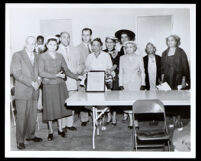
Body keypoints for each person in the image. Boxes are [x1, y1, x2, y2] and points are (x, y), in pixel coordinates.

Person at [38, 36, 80, 141]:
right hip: (48, 86)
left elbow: (67, 70)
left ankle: (60, 129)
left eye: (55, 44)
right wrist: (56, 75)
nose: (53, 46)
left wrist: (77, 77)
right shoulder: (42, 56)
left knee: (60, 108)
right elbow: (41, 72)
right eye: (50, 44)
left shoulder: (60, 56)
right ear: (47, 45)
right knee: (50, 109)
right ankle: (51, 131)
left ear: (57, 46)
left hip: (60, 85)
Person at [11, 36, 43, 150]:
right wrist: (31, 83)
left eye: (33, 44)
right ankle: (20, 140)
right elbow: (16, 73)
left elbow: (40, 72)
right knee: (21, 117)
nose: (31, 46)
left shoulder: (38, 56)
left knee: (32, 115)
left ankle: (30, 135)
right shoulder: (17, 55)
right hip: (23, 91)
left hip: (35, 91)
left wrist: (38, 82)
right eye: (29, 43)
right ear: (25, 44)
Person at [85, 38, 113, 125]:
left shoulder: (106, 55)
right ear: (91, 47)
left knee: (103, 101)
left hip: (103, 81)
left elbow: (110, 68)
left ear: (101, 46)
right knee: (92, 101)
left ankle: (106, 114)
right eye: (93, 45)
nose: (95, 47)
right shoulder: (89, 56)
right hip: (92, 83)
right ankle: (95, 118)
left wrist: (108, 72)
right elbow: (86, 69)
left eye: (97, 45)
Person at [119, 41, 146, 129]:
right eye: (127, 47)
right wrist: (120, 83)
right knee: (128, 102)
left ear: (134, 48)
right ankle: (131, 121)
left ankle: (136, 121)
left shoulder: (139, 58)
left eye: (131, 47)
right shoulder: (122, 58)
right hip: (126, 83)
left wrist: (143, 83)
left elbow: (142, 71)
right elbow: (120, 72)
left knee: (136, 102)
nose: (129, 49)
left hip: (136, 82)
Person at [57, 32, 80, 131]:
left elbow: (78, 63)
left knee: (71, 102)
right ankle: (62, 126)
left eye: (68, 37)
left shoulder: (74, 49)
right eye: (64, 37)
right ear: (60, 39)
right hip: (61, 80)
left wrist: (79, 69)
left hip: (73, 79)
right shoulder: (56, 49)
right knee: (62, 103)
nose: (66, 39)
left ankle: (70, 124)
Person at [76, 28, 93, 126]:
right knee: (83, 96)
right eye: (84, 35)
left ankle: (94, 115)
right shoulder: (78, 48)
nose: (86, 37)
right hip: (83, 75)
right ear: (81, 36)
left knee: (93, 96)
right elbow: (78, 63)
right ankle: (84, 119)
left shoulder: (94, 46)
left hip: (94, 76)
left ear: (91, 36)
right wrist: (84, 70)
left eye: (88, 35)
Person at [103, 36, 120, 126]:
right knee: (106, 96)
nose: (109, 44)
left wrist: (110, 70)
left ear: (114, 43)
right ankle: (108, 115)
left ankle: (114, 116)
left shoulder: (118, 53)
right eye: (107, 42)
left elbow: (116, 64)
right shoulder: (103, 52)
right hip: (105, 77)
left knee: (114, 96)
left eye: (111, 42)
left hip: (114, 77)